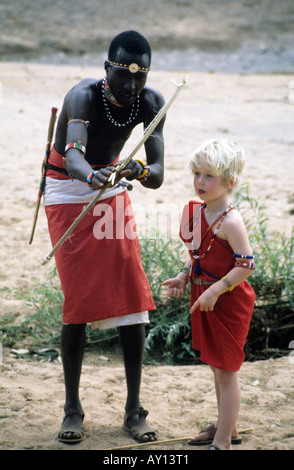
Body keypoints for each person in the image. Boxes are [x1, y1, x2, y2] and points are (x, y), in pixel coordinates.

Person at [43, 30, 165, 444]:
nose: (130, 86)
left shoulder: (151, 102)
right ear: (106, 68)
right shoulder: (82, 97)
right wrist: (89, 173)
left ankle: (134, 409)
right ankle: (72, 410)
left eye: (139, 77)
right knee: (78, 298)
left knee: (132, 292)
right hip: (67, 186)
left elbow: (158, 174)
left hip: (111, 182)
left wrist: (138, 171)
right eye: (122, 75)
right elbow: (74, 154)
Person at [162, 139, 256, 450]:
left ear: (230, 182)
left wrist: (215, 290)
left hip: (228, 301)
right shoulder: (195, 213)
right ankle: (229, 427)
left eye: (209, 176)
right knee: (217, 367)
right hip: (205, 298)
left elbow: (246, 264)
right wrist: (183, 276)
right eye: (197, 173)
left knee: (227, 371)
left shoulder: (232, 221)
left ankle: (223, 440)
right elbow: (198, 256)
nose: (200, 182)